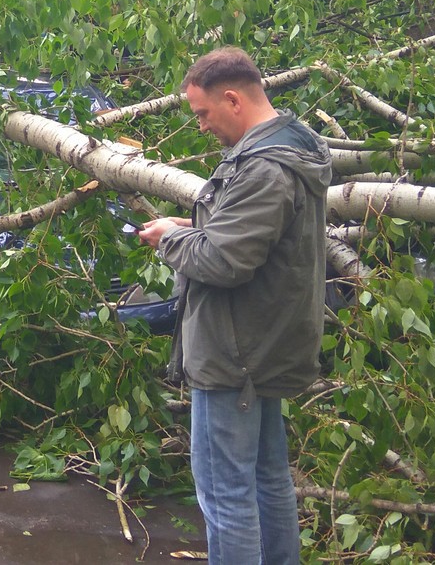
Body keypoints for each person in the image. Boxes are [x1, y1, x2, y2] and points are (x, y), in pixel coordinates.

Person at [136, 47, 331, 565]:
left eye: (203, 114)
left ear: (232, 99)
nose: (201, 126)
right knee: (267, 478)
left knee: (226, 493)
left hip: (235, 353)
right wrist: (191, 230)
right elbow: (248, 243)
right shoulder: (290, 147)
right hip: (262, 345)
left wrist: (169, 242)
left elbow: (224, 263)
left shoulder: (264, 168)